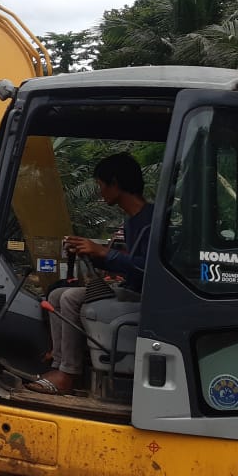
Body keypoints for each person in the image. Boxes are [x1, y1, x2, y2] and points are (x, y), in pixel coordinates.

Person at [28, 152, 154, 395]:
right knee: (56, 295)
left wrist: (105, 254)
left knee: (70, 298)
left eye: (100, 185)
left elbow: (149, 267)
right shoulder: (130, 222)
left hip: (144, 296)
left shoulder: (153, 220)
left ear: (115, 183)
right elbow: (126, 264)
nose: (100, 192)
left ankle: (69, 373)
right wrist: (93, 254)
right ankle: (58, 365)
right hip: (129, 289)